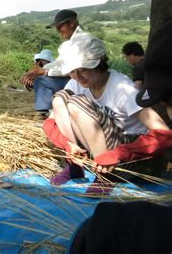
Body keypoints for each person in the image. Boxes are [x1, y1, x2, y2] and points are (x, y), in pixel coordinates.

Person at [42, 33, 169, 194]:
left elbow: (164, 133)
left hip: (128, 157)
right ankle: (74, 165)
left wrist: (120, 154)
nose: (77, 76)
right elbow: (50, 122)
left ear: (99, 63)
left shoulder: (122, 88)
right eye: (72, 71)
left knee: (76, 103)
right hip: (98, 150)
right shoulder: (76, 82)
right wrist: (68, 145)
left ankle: (105, 177)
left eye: (83, 70)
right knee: (60, 98)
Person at [20, 10, 82, 114]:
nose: (58, 30)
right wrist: (41, 70)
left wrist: (44, 72)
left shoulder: (81, 42)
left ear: (72, 24)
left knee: (41, 81)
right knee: (40, 80)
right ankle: (44, 112)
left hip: (80, 81)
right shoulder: (68, 45)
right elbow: (59, 62)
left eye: (60, 26)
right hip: (71, 79)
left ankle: (47, 112)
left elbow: (70, 67)